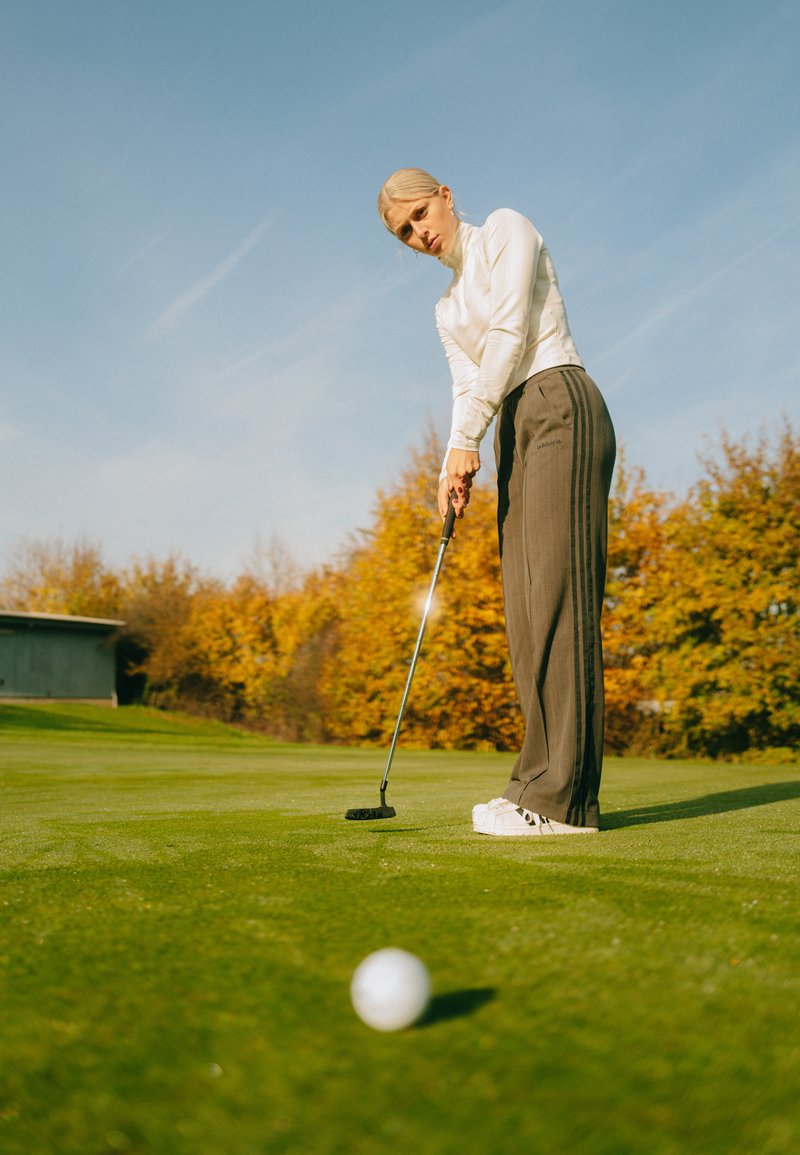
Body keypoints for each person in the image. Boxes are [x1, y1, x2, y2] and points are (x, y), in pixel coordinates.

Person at [378, 168, 616, 836]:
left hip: (558, 399)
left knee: (559, 603)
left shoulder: (508, 228)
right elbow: (465, 387)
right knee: (524, 610)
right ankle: (533, 782)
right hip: (512, 426)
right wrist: (453, 459)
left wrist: (466, 437)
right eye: (404, 232)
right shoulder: (446, 310)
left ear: (446, 196)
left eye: (421, 214)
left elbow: (511, 334)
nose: (419, 234)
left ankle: (565, 804)